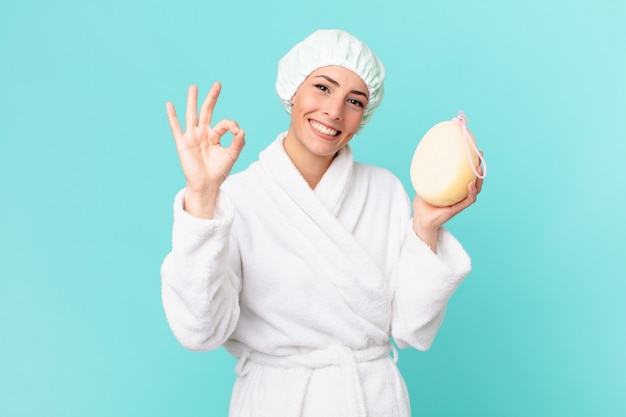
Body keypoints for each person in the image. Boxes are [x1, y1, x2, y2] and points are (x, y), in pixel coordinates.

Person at [161, 29, 483, 417]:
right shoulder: (238, 198)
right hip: (275, 401)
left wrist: (426, 228)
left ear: (364, 115)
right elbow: (200, 330)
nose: (334, 111)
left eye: (354, 100)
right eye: (322, 88)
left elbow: (413, 329)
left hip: (368, 399)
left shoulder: (384, 191)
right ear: (293, 90)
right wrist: (200, 197)